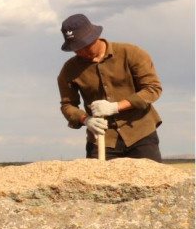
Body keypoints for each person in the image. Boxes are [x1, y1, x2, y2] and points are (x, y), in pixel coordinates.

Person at [56, 13, 163, 161]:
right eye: (76, 49)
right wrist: (86, 120)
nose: (82, 52)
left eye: (85, 46)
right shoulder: (69, 70)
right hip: (102, 139)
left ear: (95, 37)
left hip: (140, 134)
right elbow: (68, 105)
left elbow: (152, 89)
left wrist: (116, 107)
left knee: (152, 182)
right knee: (96, 183)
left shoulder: (131, 53)